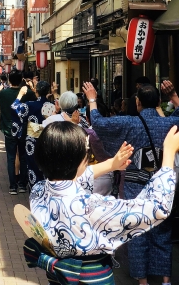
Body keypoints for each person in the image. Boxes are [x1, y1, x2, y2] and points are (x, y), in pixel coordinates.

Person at [29, 121, 178, 285]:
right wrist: (169, 153)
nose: (87, 155)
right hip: (91, 277)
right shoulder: (91, 207)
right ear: (76, 160)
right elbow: (157, 207)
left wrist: (111, 164)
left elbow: (73, 178)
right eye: (85, 152)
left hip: (57, 278)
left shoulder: (38, 190)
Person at [83, 80, 179, 285]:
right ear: (158, 102)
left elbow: (98, 123)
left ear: (138, 103)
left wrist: (92, 99)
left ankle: (142, 281)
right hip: (162, 183)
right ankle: (165, 280)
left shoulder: (129, 122)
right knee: (163, 232)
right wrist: (174, 97)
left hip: (135, 185)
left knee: (136, 232)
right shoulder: (168, 123)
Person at [0, 70, 34, 195]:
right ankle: (23, 185)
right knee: (24, 157)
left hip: (8, 129)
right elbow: (37, 100)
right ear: (21, 80)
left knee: (11, 157)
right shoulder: (28, 94)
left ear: (9, 80)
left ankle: (12, 186)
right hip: (23, 129)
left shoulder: (4, 93)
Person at [11, 81, 51, 190]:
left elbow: (15, 107)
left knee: (33, 166)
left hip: (32, 139)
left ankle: (35, 193)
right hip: (48, 139)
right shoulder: (52, 106)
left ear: (36, 91)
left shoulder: (30, 104)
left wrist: (20, 94)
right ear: (48, 92)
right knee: (47, 166)